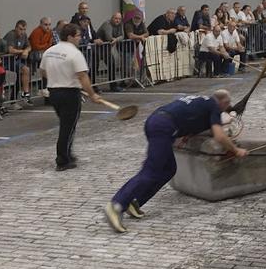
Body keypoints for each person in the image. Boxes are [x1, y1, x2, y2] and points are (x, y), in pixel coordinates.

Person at [104, 91, 247, 233]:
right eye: (227, 106)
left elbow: (195, 122)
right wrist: (236, 150)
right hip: (163, 128)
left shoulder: (202, 101)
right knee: (151, 171)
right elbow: (219, 136)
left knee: (169, 169)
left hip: (156, 121)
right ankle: (116, 205)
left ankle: (134, 202)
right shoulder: (214, 106)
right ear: (224, 103)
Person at [39, 23, 101, 171]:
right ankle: (62, 160)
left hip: (54, 92)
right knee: (67, 128)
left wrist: (56, 78)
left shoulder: (50, 51)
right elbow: (83, 76)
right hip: (69, 93)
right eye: (78, 36)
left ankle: (68, 153)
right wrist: (92, 94)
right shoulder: (74, 53)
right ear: (70, 37)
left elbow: (43, 71)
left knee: (66, 125)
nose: (80, 38)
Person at [97, 12, 126, 92]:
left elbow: (122, 36)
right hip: (97, 48)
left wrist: (116, 39)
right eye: (116, 18)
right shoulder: (107, 24)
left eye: (119, 19)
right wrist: (115, 39)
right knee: (94, 68)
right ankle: (93, 87)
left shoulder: (120, 25)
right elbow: (109, 37)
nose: (117, 20)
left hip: (107, 49)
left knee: (112, 65)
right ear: (112, 18)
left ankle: (113, 86)